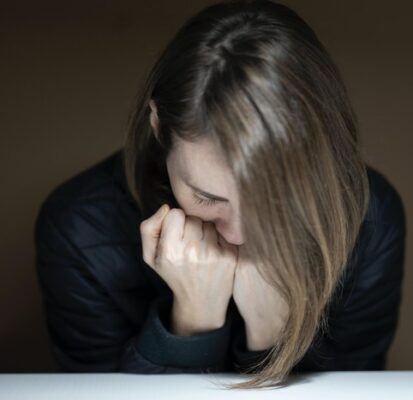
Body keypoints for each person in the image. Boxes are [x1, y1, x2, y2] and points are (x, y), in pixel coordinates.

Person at [34, 0, 406, 390]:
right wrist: (192, 322)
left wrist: (271, 336)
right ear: (159, 126)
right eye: (208, 197)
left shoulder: (370, 217)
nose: (239, 235)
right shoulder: (76, 228)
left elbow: (357, 390)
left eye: (271, 200)